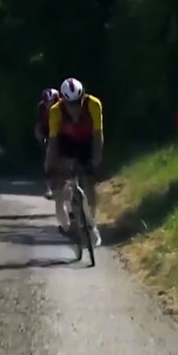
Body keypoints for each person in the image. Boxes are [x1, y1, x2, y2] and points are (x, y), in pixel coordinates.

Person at [44, 77, 103, 247]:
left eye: (77, 103)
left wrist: (96, 160)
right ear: (63, 101)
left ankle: (92, 224)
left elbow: (98, 135)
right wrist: (50, 167)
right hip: (66, 142)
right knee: (64, 173)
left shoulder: (93, 104)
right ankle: (72, 213)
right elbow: (53, 142)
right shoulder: (56, 111)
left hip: (87, 141)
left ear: (83, 97)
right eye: (70, 105)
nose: (74, 108)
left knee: (89, 183)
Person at [34, 88, 59, 198]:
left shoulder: (63, 107)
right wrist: (39, 134)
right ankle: (49, 188)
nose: (48, 105)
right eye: (46, 102)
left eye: (51, 102)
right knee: (48, 160)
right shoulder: (41, 107)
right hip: (48, 133)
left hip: (62, 133)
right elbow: (39, 123)